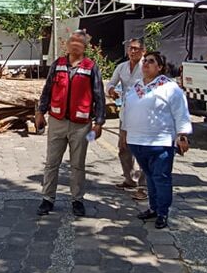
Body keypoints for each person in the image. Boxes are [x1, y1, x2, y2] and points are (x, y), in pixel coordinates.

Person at [34, 30, 106, 218]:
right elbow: (47, 89)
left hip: (81, 125)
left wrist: (99, 123)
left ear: (84, 47)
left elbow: (99, 95)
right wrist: (40, 112)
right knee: (51, 163)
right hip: (57, 121)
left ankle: (77, 201)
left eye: (79, 42)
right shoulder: (58, 65)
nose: (74, 44)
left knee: (77, 165)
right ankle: (47, 199)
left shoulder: (91, 67)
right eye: (72, 41)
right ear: (67, 44)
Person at [122, 51, 192, 229]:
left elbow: (181, 112)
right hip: (137, 141)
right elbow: (126, 111)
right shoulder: (136, 87)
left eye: (151, 62)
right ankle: (153, 208)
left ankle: (162, 212)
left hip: (159, 142)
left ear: (160, 67)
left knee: (161, 178)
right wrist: (124, 133)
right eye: (145, 61)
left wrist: (182, 136)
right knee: (150, 178)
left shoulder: (169, 87)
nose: (146, 64)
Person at [106, 38, 147, 197]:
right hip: (126, 111)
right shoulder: (122, 67)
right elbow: (111, 83)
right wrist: (111, 91)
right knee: (124, 147)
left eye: (136, 49)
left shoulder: (146, 67)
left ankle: (143, 185)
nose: (133, 51)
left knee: (143, 148)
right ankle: (129, 179)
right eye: (131, 48)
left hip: (144, 113)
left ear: (143, 51)